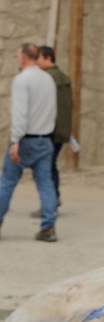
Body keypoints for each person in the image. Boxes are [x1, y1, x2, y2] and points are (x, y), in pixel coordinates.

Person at [0, 42, 58, 242]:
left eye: (17, 57)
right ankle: (48, 226)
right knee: (45, 184)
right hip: (45, 138)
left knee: (7, 182)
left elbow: (20, 113)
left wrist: (15, 140)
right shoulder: (48, 80)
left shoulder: (21, 80)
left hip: (26, 140)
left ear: (24, 58)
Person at [37, 45, 72, 209]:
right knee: (50, 165)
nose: (37, 62)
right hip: (60, 129)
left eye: (39, 58)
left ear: (48, 58)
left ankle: (50, 203)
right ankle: (53, 199)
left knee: (45, 168)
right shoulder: (63, 77)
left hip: (50, 130)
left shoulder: (47, 78)